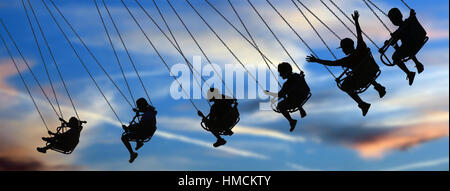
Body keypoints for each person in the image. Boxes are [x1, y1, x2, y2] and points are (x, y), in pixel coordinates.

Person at [306, 11, 386, 117]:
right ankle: (379, 87)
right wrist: (356, 21)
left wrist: (317, 60)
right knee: (363, 69)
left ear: (346, 48)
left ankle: (362, 104)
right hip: (372, 70)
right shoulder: (361, 48)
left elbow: (332, 63)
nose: (343, 51)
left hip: (363, 79)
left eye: (343, 48)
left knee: (344, 85)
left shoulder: (347, 60)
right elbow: (359, 34)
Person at [383, 8, 426, 85]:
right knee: (401, 44)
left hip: (411, 46)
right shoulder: (408, 21)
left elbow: (395, 38)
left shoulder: (401, 28)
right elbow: (395, 37)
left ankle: (409, 73)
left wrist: (390, 41)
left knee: (395, 58)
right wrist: (390, 41)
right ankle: (417, 63)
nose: (393, 21)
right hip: (416, 43)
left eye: (392, 20)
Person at [264, 62, 310, 132]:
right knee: (288, 94)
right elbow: (282, 94)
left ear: (286, 72)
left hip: (297, 98)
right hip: (303, 94)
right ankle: (300, 107)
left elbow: (280, 95)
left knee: (280, 106)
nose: (280, 75)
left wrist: (269, 93)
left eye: (281, 72)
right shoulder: (297, 76)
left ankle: (291, 121)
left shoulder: (287, 84)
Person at [121, 98, 157, 163]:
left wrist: (129, 128)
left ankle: (132, 154)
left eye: (139, 106)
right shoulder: (150, 111)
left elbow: (141, 127)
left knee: (124, 137)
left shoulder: (147, 115)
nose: (138, 108)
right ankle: (138, 143)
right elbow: (144, 110)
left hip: (144, 133)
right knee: (133, 129)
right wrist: (137, 110)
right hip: (145, 132)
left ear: (142, 105)